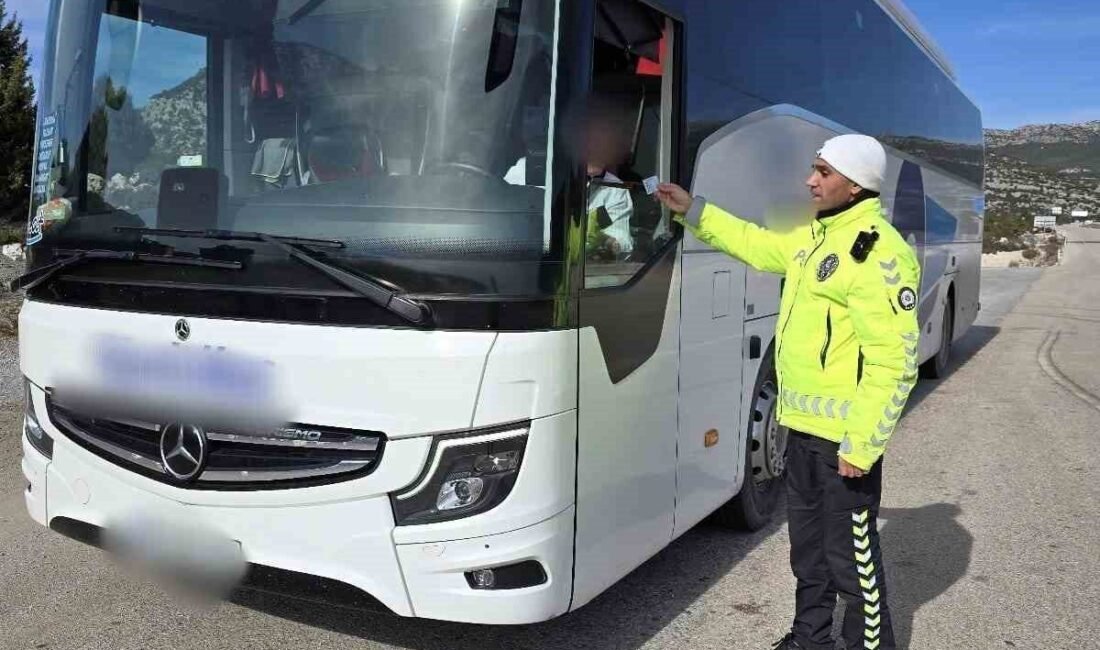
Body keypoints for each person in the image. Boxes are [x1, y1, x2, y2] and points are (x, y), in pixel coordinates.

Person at [656, 134, 920, 650]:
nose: (810, 180)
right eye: (813, 169)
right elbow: (756, 244)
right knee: (809, 553)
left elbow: (895, 363)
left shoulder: (881, 256)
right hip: (799, 429)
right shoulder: (815, 239)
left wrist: (862, 445)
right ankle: (810, 639)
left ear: (856, 183)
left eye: (823, 171)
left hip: (844, 441)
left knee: (853, 563)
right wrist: (695, 210)